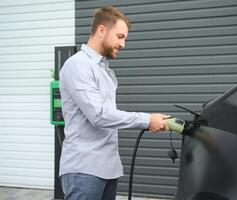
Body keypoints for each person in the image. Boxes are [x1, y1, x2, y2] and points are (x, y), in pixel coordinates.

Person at [59, 6, 169, 200]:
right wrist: (146, 120)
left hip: (108, 169)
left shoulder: (106, 70)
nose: (123, 44)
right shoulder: (78, 65)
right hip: (84, 169)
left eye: (124, 38)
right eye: (120, 36)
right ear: (101, 30)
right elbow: (99, 115)